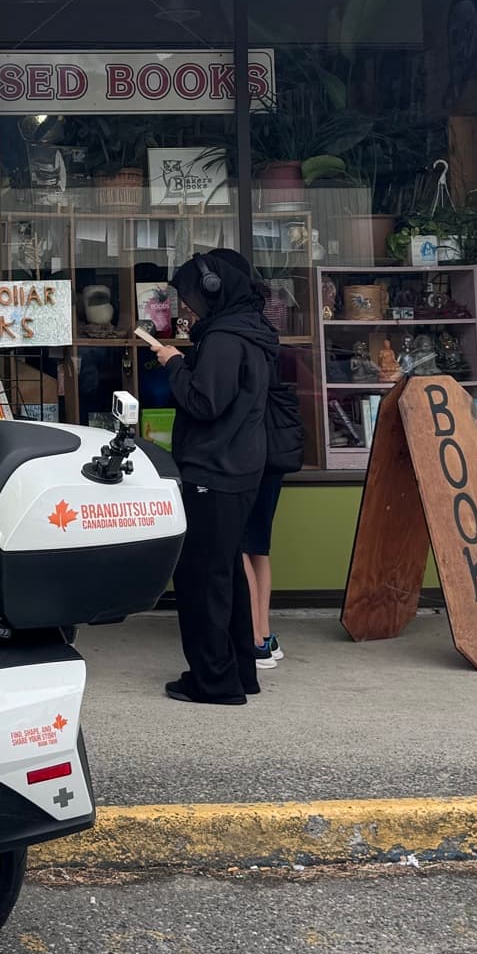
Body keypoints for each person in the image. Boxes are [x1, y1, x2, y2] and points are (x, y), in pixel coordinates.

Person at [134, 248, 277, 706]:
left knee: (201, 579)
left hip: (213, 470)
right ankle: (237, 671)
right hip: (241, 466)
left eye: (193, 297)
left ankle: (213, 680)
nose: (189, 307)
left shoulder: (223, 339)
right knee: (226, 574)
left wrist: (173, 363)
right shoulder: (249, 331)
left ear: (215, 289)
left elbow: (204, 402)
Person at [246, 342, 307, 671]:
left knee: (238, 546)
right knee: (259, 547)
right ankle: (265, 635)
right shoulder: (273, 350)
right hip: (275, 455)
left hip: (248, 457)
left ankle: (253, 640)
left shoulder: (239, 348)